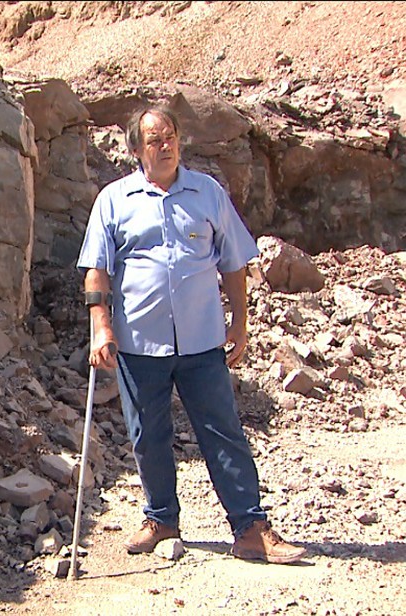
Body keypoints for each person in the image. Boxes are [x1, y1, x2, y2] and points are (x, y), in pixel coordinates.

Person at [76, 105, 306, 564]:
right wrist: (100, 325)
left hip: (202, 340)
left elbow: (234, 260)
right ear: (136, 150)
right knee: (148, 435)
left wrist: (239, 321)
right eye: (154, 140)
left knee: (223, 431)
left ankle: (250, 528)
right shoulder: (114, 200)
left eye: (171, 137)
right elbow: (97, 269)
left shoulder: (208, 193)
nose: (165, 146)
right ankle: (161, 519)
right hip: (139, 342)